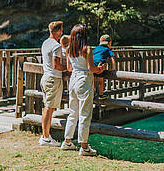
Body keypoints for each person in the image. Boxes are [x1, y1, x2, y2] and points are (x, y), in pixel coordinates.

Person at [61, 24, 103, 156]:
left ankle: (67, 141)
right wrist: (100, 68)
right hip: (84, 79)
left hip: (73, 80)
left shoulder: (69, 49)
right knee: (84, 113)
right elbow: (91, 68)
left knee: (73, 112)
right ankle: (84, 146)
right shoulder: (87, 49)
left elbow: (69, 68)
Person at [39, 21, 66, 147]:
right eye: (61, 30)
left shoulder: (45, 43)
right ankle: (45, 137)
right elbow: (57, 65)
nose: (62, 33)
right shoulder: (56, 46)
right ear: (57, 31)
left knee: (48, 107)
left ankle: (46, 135)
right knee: (49, 108)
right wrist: (68, 68)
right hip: (53, 79)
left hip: (46, 77)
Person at [92, 34, 116, 100]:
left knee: (94, 79)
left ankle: (93, 94)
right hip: (100, 64)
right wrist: (113, 68)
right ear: (109, 43)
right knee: (100, 81)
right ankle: (100, 95)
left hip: (93, 65)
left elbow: (92, 55)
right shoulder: (107, 49)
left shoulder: (96, 48)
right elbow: (112, 58)